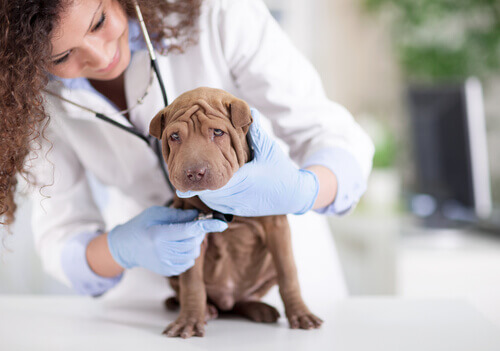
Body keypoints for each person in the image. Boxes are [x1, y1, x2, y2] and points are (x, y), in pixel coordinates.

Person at [0, 0, 374, 298]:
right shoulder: (32, 99)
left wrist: (304, 190)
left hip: (272, 269)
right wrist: (121, 249)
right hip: (167, 286)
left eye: (98, 21)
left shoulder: (217, 13)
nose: (99, 57)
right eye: (61, 56)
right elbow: (61, 235)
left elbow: (331, 134)